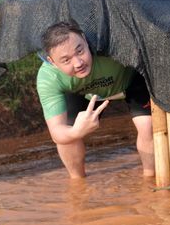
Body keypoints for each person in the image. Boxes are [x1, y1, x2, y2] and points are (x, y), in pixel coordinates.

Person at [36, 21, 154, 178]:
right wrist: (75, 132)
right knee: (67, 137)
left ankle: (150, 178)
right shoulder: (48, 78)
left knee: (147, 125)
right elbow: (56, 131)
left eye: (80, 51)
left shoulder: (110, 46)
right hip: (82, 93)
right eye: (66, 60)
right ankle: (78, 182)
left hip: (130, 79)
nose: (78, 63)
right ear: (52, 62)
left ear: (85, 39)